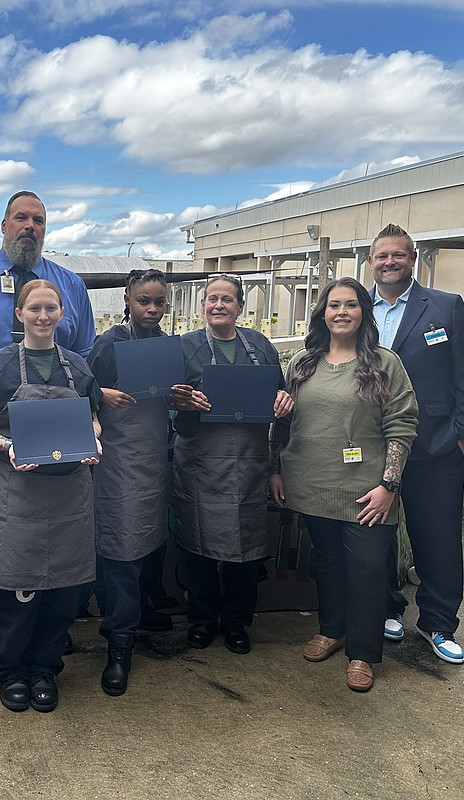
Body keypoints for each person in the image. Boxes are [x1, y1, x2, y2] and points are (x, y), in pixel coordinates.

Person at [0, 191, 95, 662]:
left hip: (55, 433)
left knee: (54, 529)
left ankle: (50, 622)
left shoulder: (69, 285)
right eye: (21, 218)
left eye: (39, 221)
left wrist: (87, 429)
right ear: (3, 224)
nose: (30, 227)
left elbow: (84, 357)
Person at [270, 278, 419, 692]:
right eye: (333, 305)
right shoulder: (302, 362)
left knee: (368, 570)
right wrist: (275, 469)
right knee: (329, 563)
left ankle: (363, 653)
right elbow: (282, 424)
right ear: (321, 313)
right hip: (312, 486)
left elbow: (402, 426)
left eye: (351, 305)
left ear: (363, 313)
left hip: (367, 492)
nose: (341, 312)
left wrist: (389, 485)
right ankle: (332, 629)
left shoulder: (385, 363)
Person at [0, 280, 101, 712]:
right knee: (17, 591)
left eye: (51, 308)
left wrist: (93, 441)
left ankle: (45, 669)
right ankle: (11, 671)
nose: (43, 316)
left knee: (61, 593)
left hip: (69, 496)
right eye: (34, 308)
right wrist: (7, 446)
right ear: (18, 314)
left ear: (63, 315)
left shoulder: (78, 367)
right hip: (15, 495)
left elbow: (92, 418)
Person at [368, 224, 464, 664]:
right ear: (371, 262)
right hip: (372, 446)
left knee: (438, 538)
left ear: (413, 259)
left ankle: (438, 623)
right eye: (382, 256)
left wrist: (462, 438)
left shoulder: (446, 307)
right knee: (375, 535)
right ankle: (386, 608)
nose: (390, 262)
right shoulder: (358, 308)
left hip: (436, 446)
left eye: (398, 255)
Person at [171, 275, 293, 657]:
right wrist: (185, 404)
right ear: (202, 305)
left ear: (241, 306)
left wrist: (284, 402)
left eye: (227, 299)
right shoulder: (184, 348)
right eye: (212, 299)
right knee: (199, 547)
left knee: (246, 548)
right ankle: (202, 620)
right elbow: (170, 412)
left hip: (250, 465)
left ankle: (238, 622)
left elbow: (281, 403)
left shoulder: (260, 346)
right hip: (199, 464)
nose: (218, 305)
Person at [86, 268, 173, 696]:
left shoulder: (170, 346)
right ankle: (119, 644)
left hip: (155, 460)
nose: (152, 309)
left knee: (147, 541)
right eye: (144, 301)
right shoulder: (108, 343)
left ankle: (139, 614)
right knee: (120, 545)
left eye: (159, 302)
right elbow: (81, 390)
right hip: (117, 461)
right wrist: (101, 394)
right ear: (127, 298)